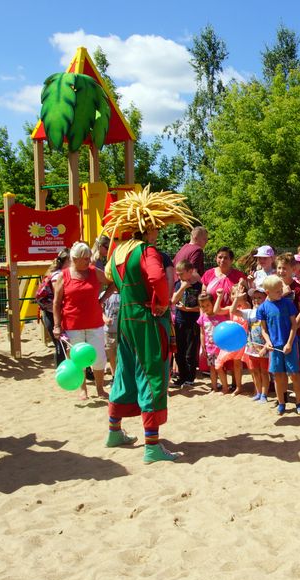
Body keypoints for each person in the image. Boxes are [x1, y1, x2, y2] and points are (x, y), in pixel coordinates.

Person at [101, 186, 194, 463]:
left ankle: (114, 431)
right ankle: (152, 446)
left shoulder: (119, 251)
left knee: (125, 372)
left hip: (126, 318)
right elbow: (156, 278)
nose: (158, 232)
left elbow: (110, 278)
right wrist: (163, 303)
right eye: (157, 228)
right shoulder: (146, 250)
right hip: (146, 319)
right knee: (153, 374)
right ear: (149, 227)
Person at [52, 241, 111, 400]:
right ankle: (83, 389)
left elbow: (112, 283)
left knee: (99, 358)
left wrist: (102, 299)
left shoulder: (94, 272)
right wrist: (57, 326)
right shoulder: (63, 276)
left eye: (89, 257)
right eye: (85, 258)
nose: (89, 261)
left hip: (95, 323)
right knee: (77, 359)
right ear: (75, 259)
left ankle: (100, 389)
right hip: (72, 324)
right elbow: (56, 303)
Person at [257, 275, 300, 415]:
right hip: (275, 348)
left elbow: (294, 325)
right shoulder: (262, 308)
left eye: (281, 289)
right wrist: (268, 342)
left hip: (289, 345)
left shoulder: (288, 303)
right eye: (277, 291)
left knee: (294, 375)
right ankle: (281, 403)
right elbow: (264, 330)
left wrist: (289, 343)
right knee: (278, 376)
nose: (281, 292)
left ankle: (299, 403)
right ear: (267, 292)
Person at [276, 252, 300, 408]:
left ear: (292, 269)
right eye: (279, 268)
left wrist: (294, 327)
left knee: (298, 365)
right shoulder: (274, 286)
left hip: (295, 331)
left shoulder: (298, 288)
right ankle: (282, 397)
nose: (281, 271)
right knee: (280, 367)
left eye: (284, 268)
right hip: (278, 332)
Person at [171, 260, 202, 388]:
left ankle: (190, 378)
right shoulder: (179, 284)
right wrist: (183, 287)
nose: (179, 276)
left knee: (190, 352)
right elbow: (173, 300)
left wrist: (187, 309)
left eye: (181, 274)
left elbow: (202, 307)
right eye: (177, 274)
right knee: (179, 352)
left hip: (192, 323)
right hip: (179, 321)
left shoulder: (199, 286)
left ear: (190, 271)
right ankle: (182, 377)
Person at [237, 286, 270, 403]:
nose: (256, 300)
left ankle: (264, 394)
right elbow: (233, 311)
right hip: (251, 348)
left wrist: (265, 347)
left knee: (264, 372)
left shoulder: (268, 313)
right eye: (254, 298)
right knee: (255, 371)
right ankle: (258, 392)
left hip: (264, 349)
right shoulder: (249, 312)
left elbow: (270, 332)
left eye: (259, 297)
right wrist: (237, 298)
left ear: (266, 298)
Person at [37, 250, 69, 366]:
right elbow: (58, 298)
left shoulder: (58, 273)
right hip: (52, 314)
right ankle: (62, 370)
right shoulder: (58, 275)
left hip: (53, 312)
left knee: (62, 344)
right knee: (60, 344)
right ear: (67, 261)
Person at [217, 286, 250, 396]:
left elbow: (237, 308)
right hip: (232, 341)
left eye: (237, 294)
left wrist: (238, 298)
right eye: (233, 294)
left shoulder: (246, 306)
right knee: (219, 363)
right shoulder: (231, 307)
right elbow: (216, 311)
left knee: (237, 364)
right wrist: (219, 297)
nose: (235, 296)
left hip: (242, 340)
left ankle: (238, 387)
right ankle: (226, 387)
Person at [202, 246, 247, 323]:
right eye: (220, 257)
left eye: (226, 258)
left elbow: (244, 298)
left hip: (232, 318)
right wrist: (202, 317)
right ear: (216, 258)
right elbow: (203, 297)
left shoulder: (239, 276)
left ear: (231, 260)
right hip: (211, 318)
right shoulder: (208, 274)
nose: (222, 260)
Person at [197, 292, 223, 393]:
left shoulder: (220, 316)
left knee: (220, 368)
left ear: (213, 303)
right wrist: (202, 345)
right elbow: (202, 333)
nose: (205, 308)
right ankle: (214, 388)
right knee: (212, 368)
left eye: (207, 305)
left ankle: (225, 388)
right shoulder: (202, 318)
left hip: (220, 348)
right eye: (202, 306)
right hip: (210, 348)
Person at [103, 291, 120, 376]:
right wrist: (104, 318)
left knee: (121, 355)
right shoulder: (105, 294)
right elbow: (99, 309)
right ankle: (114, 376)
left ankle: (121, 377)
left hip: (122, 331)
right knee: (111, 356)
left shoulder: (124, 292)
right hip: (109, 332)